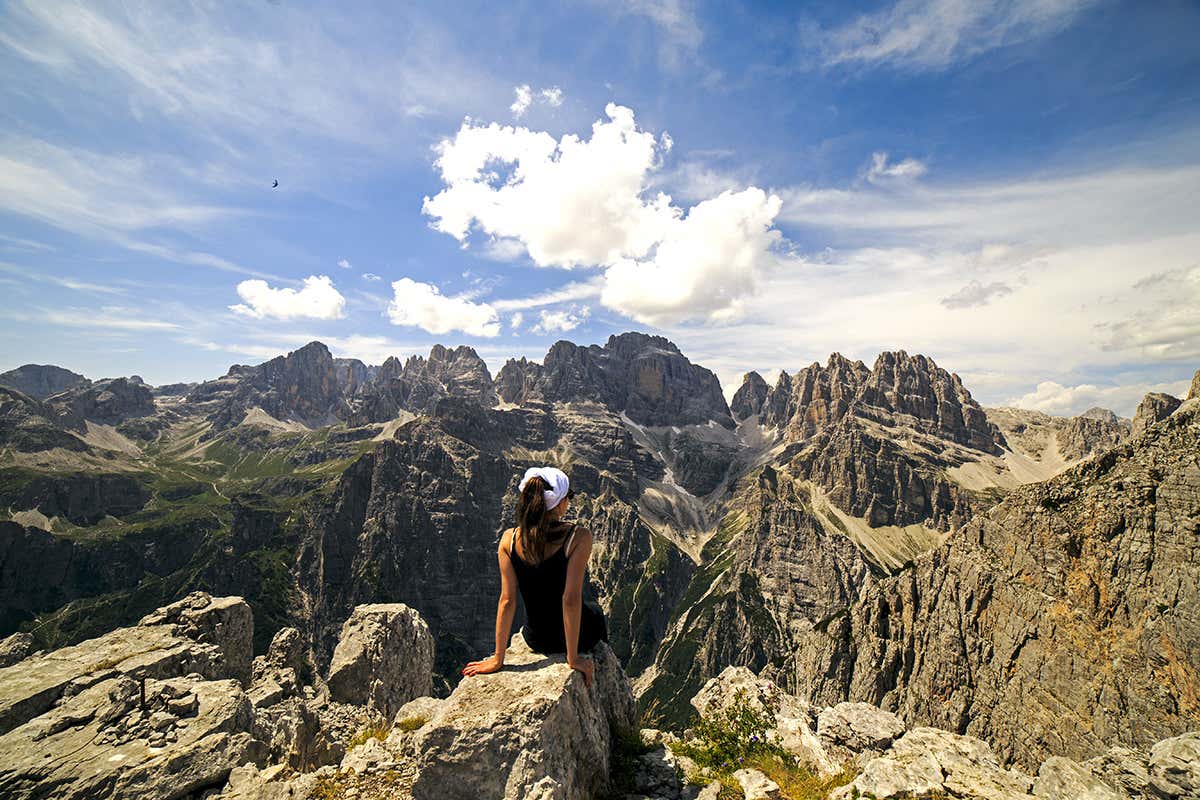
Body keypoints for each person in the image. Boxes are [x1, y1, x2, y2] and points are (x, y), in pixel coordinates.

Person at [461, 466, 608, 687]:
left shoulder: (508, 540)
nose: (569, 502)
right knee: (595, 611)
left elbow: (507, 600)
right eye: (568, 496)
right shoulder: (578, 537)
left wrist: (497, 659)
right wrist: (573, 658)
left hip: (536, 638)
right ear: (559, 503)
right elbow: (570, 600)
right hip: (576, 638)